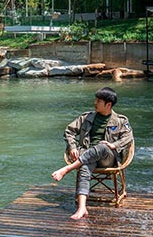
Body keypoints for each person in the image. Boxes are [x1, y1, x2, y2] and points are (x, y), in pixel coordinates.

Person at [51, 87, 134, 220]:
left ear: (108, 104)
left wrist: (114, 145)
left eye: (98, 101)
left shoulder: (121, 120)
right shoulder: (86, 117)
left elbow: (128, 137)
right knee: (84, 167)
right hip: (87, 157)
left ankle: (67, 169)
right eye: (95, 99)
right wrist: (72, 147)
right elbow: (69, 131)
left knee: (102, 147)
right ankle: (82, 208)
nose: (95, 102)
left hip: (108, 158)